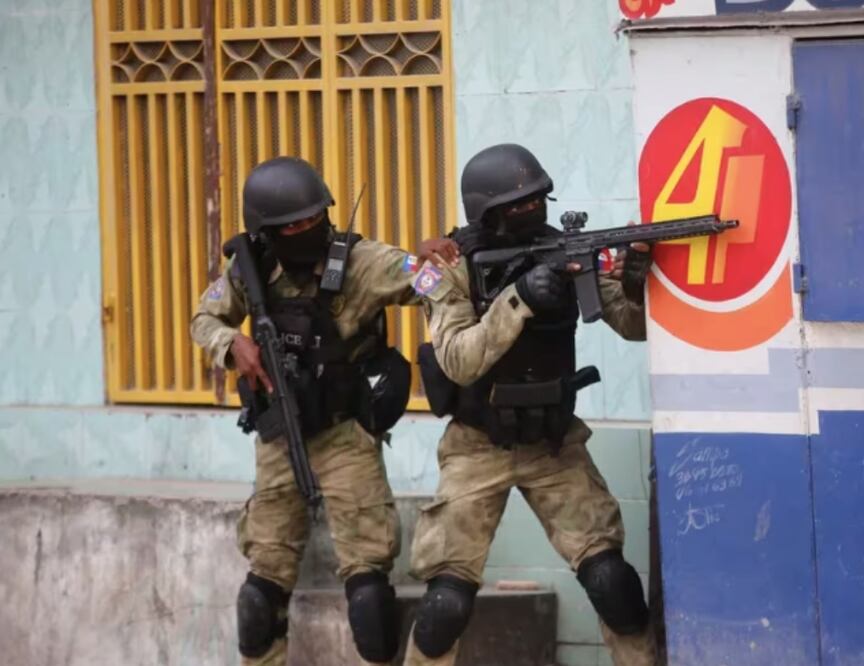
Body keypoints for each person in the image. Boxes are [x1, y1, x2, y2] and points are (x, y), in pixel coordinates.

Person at [190, 156, 458, 666]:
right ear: (266, 230)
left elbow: (423, 282)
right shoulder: (251, 267)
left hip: (344, 439)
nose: (303, 230)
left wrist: (430, 263)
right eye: (290, 225)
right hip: (277, 438)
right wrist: (231, 345)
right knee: (258, 598)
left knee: (369, 600)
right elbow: (205, 317)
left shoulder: (360, 262)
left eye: (312, 219)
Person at [403, 143, 657, 666]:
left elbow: (635, 326)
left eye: (536, 200)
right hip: (476, 446)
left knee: (614, 584)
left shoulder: (563, 250)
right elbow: (456, 360)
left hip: (554, 444)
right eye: (516, 205)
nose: (530, 212)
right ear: (486, 213)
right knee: (445, 606)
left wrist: (635, 276)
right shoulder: (448, 266)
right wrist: (518, 299)